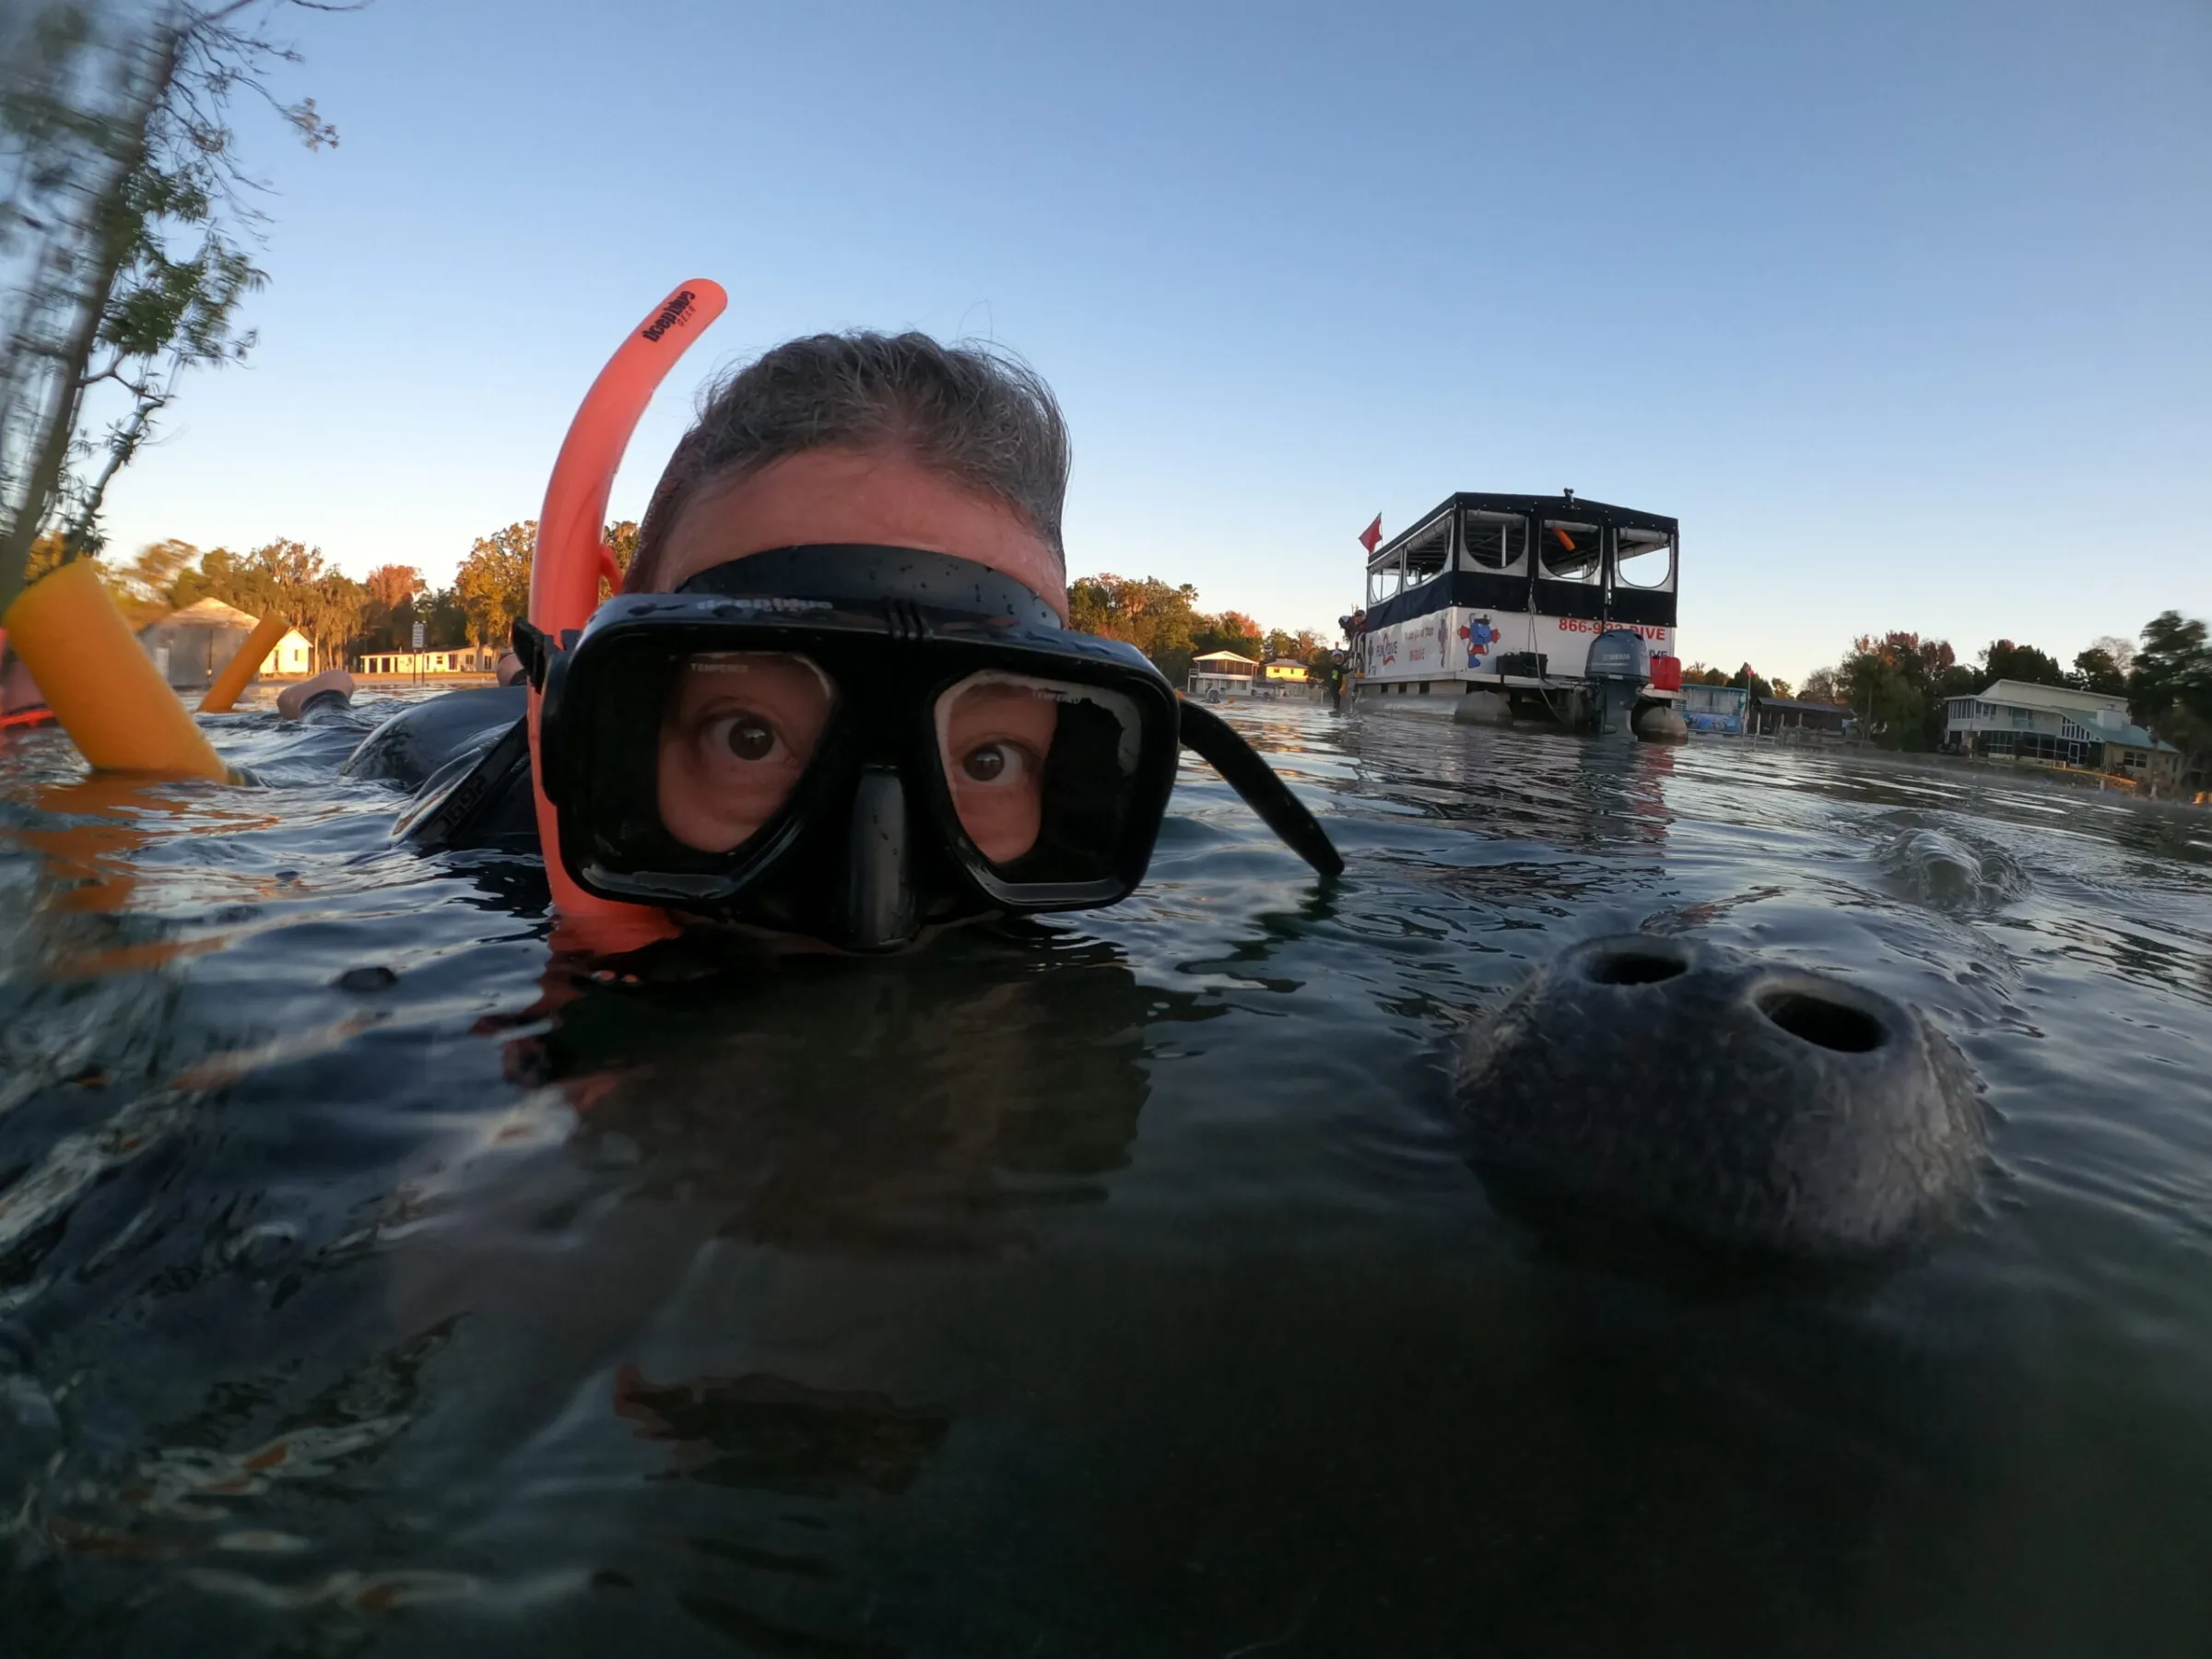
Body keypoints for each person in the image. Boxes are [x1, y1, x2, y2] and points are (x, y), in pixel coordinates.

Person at [347, 330, 1338, 950]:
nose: (874, 912)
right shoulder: (464, 848)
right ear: (606, 711)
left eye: (988, 757)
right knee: (330, 714)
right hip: (445, 733)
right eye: (747, 734)